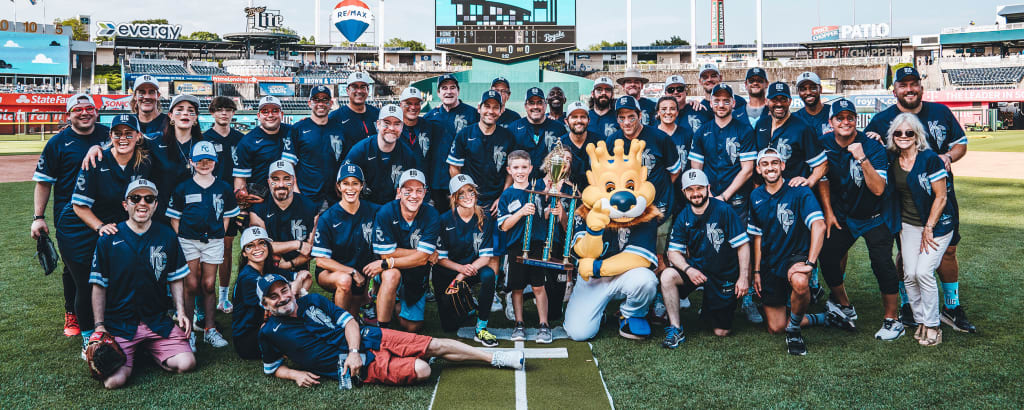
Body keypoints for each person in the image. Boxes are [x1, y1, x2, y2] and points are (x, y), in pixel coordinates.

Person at [256, 274, 524, 387]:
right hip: (357, 366)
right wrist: (295, 374)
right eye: (274, 297)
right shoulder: (269, 332)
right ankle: (417, 359)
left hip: (367, 337)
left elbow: (349, 322)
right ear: (265, 304)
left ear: (289, 289)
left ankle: (495, 357)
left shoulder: (310, 300)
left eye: (283, 290)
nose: (282, 297)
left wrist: (352, 350)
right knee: (423, 370)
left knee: (434, 344)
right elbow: (272, 366)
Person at [864, 67, 975, 333]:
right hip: (900, 200)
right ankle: (908, 305)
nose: (909, 89)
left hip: (939, 194)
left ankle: (951, 305)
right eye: (903, 85)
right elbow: (866, 146)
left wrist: (948, 156)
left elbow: (960, 143)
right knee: (905, 254)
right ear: (895, 90)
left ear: (921, 88)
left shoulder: (940, 112)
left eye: (914, 84)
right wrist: (873, 139)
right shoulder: (881, 120)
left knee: (948, 251)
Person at [89, 179, 195, 389]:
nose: (142, 203)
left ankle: (146, 350)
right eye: (135, 198)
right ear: (125, 204)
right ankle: (136, 352)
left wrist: (181, 311)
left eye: (149, 199)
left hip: (156, 321)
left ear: (156, 204)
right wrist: (100, 326)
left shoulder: (166, 235)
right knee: (112, 382)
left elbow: (175, 277)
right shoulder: (109, 239)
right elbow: (99, 285)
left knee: (187, 363)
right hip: (121, 324)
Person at [817, 99, 903, 341]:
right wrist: (829, 212)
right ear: (831, 122)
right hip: (844, 216)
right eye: (840, 118)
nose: (845, 122)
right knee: (828, 254)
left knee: (882, 264)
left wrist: (862, 158)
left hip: (875, 215)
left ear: (856, 120)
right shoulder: (823, 144)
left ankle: (892, 319)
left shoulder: (871, 145)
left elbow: (878, 189)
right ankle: (844, 305)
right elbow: (821, 177)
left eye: (850, 117)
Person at [64, 113, 150, 351]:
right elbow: (79, 205)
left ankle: (114, 329)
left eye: (128, 133)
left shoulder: (143, 161)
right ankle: (89, 339)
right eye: (118, 133)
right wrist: (100, 226)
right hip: (79, 227)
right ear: (110, 136)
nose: (123, 138)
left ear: (138, 136)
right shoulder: (97, 160)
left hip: (113, 227)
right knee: (87, 282)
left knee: (116, 278)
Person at [748, 148, 843, 356]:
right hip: (771, 262)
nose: (770, 167)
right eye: (765, 164)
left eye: (775, 163)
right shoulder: (756, 195)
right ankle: (825, 317)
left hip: (796, 256)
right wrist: (756, 272)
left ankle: (794, 330)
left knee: (800, 282)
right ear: (758, 169)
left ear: (782, 166)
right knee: (775, 327)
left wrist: (809, 263)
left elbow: (818, 225)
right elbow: (757, 236)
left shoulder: (799, 190)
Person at [31, 93, 109, 338]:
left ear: (96, 112)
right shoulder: (58, 142)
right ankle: (73, 313)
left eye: (89, 108)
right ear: (69, 115)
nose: (84, 112)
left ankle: (108, 315)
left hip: (105, 211)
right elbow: (44, 183)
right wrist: (38, 217)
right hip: (69, 215)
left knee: (108, 261)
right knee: (75, 267)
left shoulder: (108, 134)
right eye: (78, 109)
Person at [689, 83, 760, 324]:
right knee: (711, 247)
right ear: (710, 103)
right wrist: (702, 194)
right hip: (709, 200)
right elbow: (696, 169)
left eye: (725, 100)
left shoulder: (744, 130)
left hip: (736, 200)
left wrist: (725, 196)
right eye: (716, 100)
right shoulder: (703, 131)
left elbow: (748, 170)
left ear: (733, 103)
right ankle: (712, 299)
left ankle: (747, 297)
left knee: (741, 246)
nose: (721, 104)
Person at [885, 113, 956, 346]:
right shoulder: (892, 159)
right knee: (909, 273)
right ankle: (921, 320)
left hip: (937, 223)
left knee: (924, 271)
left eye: (909, 133)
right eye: (898, 133)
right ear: (893, 136)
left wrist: (929, 227)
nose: (903, 137)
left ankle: (934, 325)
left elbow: (942, 196)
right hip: (908, 225)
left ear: (917, 135)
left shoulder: (930, 159)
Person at [660, 169, 750, 348]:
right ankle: (676, 328)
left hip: (724, 273)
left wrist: (743, 277)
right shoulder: (683, 216)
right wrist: (688, 269)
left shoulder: (724, 210)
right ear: (684, 192)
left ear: (708, 188)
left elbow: (743, 245)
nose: (695, 193)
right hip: (698, 267)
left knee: (721, 331)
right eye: (690, 189)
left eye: (699, 188)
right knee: (667, 276)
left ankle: (710, 306)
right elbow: (673, 253)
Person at [166, 141, 240, 350]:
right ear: (192, 162)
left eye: (209, 160)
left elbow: (227, 216)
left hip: (213, 241)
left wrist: (219, 234)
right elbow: (175, 218)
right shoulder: (183, 187)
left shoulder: (223, 187)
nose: (205, 164)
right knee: (191, 285)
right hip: (189, 241)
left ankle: (209, 329)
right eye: (200, 160)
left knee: (208, 284)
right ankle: (188, 331)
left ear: (215, 162)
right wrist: (183, 236)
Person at [497, 150, 574, 343]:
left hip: (538, 244)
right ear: (509, 170)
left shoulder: (540, 188)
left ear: (531, 168)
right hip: (516, 246)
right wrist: (521, 212)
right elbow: (504, 225)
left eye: (524, 167)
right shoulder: (507, 195)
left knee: (539, 286)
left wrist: (554, 211)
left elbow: (544, 214)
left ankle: (543, 325)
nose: (520, 171)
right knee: (517, 288)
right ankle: (519, 324)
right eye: (516, 168)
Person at [607, 96, 682, 261]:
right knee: (632, 254)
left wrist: (661, 189)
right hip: (628, 208)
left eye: (631, 117)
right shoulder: (612, 141)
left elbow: (675, 171)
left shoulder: (659, 138)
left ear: (640, 116)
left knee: (659, 257)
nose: (627, 122)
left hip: (658, 207)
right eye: (622, 118)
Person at [371, 169, 440, 332]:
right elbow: (386, 254)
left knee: (411, 326)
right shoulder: (386, 212)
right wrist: (421, 253)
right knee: (390, 274)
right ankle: (383, 330)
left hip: (417, 274)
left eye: (418, 190)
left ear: (425, 193)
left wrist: (393, 258)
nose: (413, 195)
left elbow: (422, 259)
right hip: (391, 270)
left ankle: (394, 301)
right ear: (399, 192)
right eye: (408, 190)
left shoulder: (431, 215)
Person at [434, 174, 499, 346]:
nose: (468, 197)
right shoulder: (444, 220)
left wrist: (462, 275)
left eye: (471, 192)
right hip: (449, 269)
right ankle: (469, 306)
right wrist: (459, 270)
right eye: (461, 194)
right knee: (450, 326)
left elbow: (486, 257)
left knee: (489, 275)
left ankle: (482, 327)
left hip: (473, 268)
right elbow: (440, 259)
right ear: (454, 198)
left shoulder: (484, 217)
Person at [311, 164, 380, 314]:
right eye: (346, 183)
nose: (350, 188)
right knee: (344, 281)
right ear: (339, 186)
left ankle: (362, 304)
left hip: (362, 272)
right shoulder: (328, 217)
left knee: (354, 316)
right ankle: (338, 328)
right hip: (331, 271)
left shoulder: (374, 211)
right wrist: (352, 272)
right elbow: (321, 260)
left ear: (362, 186)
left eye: (355, 183)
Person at [232, 226, 308, 359]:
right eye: (250, 246)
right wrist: (296, 290)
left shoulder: (269, 270)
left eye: (262, 243)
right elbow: (282, 301)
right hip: (249, 339)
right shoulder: (248, 278)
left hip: (268, 326)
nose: (257, 248)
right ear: (244, 253)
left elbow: (306, 276)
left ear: (268, 246)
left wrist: (297, 288)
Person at [203, 96, 246, 313]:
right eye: (219, 109)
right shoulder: (204, 139)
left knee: (228, 248)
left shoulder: (240, 138)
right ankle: (203, 298)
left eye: (228, 110)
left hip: (235, 202)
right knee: (209, 249)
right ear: (212, 113)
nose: (224, 113)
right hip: (210, 202)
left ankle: (223, 296)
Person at [249, 160, 316, 292]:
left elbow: (310, 249)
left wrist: (288, 264)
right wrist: (298, 244)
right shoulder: (258, 209)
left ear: (294, 180)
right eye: (275, 179)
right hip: (267, 268)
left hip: (298, 268)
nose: (281, 185)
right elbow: (260, 247)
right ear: (268, 182)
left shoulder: (309, 207)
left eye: (286, 179)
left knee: (303, 282)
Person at [447, 90, 515, 214]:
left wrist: (503, 197)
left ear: (501, 111)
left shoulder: (508, 137)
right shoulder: (465, 134)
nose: (491, 111)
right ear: (479, 108)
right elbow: (454, 167)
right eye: (487, 106)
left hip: (496, 201)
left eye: (495, 107)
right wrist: (465, 195)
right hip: (471, 200)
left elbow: (511, 171)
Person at [345, 104, 424, 205]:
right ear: (378, 124)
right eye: (386, 123)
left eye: (397, 124)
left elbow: (414, 187)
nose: (391, 128)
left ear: (402, 126)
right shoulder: (360, 150)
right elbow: (343, 184)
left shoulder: (407, 154)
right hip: (363, 208)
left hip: (393, 209)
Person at [423, 74, 480, 212]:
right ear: (438, 93)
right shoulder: (430, 117)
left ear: (458, 91)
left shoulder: (472, 114)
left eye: (452, 88)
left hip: (465, 181)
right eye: (444, 88)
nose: (449, 91)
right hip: (437, 182)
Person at [754, 82, 828, 187]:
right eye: (775, 100)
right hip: (766, 194)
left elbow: (822, 164)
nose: (779, 104)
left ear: (790, 101)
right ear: (766, 101)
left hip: (792, 193)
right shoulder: (761, 124)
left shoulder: (802, 127)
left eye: (783, 99)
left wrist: (809, 182)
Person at [286, 85, 347, 209]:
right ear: (310, 103)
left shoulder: (339, 129)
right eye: (316, 100)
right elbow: (288, 164)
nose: (321, 103)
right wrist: (295, 191)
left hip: (334, 197)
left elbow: (345, 161)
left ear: (330, 103)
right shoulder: (298, 128)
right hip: (307, 195)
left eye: (325, 100)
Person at [233, 95, 297, 201]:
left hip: (290, 197)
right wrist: (242, 205)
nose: (270, 115)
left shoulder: (293, 132)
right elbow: (240, 178)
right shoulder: (247, 141)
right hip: (262, 200)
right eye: (265, 111)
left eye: (275, 111)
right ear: (258, 115)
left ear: (281, 114)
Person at [396, 87, 445, 206]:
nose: (413, 107)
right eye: (408, 103)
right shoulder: (392, 128)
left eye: (417, 103)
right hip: (398, 194)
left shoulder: (429, 125)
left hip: (424, 194)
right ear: (400, 104)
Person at [510, 87, 569, 179]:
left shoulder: (558, 128)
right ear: (525, 106)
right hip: (522, 185)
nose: (535, 107)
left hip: (550, 183)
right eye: (531, 103)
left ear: (545, 105)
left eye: (539, 103)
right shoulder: (514, 128)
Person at [328, 71, 380, 148]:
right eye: (354, 87)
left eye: (363, 87)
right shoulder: (335, 117)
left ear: (368, 90)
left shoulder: (377, 113)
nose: (359, 91)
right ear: (347, 91)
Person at [559, 101, 601, 190]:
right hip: (568, 196)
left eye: (583, 117)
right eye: (574, 117)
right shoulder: (560, 144)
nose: (579, 120)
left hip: (595, 194)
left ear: (588, 120)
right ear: (566, 121)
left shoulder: (599, 142)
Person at [791, 72, 833, 138]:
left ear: (820, 89)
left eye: (813, 88)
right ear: (798, 92)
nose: (808, 92)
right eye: (803, 89)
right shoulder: (794, 118)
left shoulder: (833, 112)